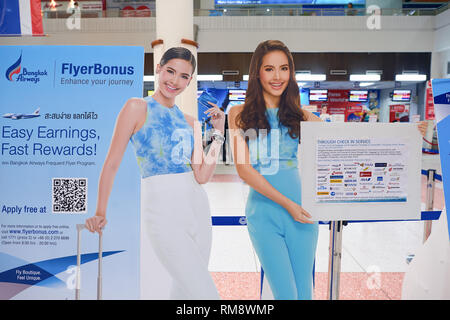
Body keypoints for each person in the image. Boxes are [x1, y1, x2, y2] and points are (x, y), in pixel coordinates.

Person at [228, 40, 428, 300]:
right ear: (257, 72)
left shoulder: (302, 115)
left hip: (303, 214)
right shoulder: (238, 114)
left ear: (291, 72)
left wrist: (404, 133)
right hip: (264, 214)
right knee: (286, 294)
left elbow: (349, 139)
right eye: (269, 69)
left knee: (304, 293)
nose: (277, 76)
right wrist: (288, 205)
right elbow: (244, 170)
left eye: (284, 68)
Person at [85, 47, 225, 300]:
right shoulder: (136, 108)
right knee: (205, 294)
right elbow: (112, 163)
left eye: (183, 76)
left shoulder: (191, 121)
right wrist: (100, 212)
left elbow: (202, 175)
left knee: (185, 292)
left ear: (190, 81)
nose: (174, 81)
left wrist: (218, 134)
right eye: (170, 71)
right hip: (161, 209)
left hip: (197, 208)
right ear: (158, 69)